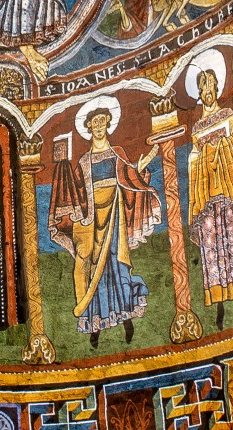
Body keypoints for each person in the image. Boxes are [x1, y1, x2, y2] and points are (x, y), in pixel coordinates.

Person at [48, 96, 160, 348]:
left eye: (102, 121)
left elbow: (129, 176)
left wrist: (143, 164)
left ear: (108, 124)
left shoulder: (117, 153)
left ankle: (127, 319)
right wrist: (61, 169)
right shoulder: (83, 162)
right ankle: (94, 326)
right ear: (88, 127)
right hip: (91, 222)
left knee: (117, 267)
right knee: (91, 269)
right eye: (94, 122)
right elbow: (75, 193)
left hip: (113, 218)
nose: (98, 126)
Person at [186, 60, 233, 329]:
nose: (208, 92)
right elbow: (193, 158)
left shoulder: (227, 114)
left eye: (211, 87)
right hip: (209, 197)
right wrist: (201, 155)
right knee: (213, 250)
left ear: (217, 89)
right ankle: (218, 303)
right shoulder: (197, 128)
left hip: (229, 191)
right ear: (200, 93)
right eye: (203, 88)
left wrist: (223, 145)